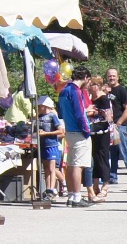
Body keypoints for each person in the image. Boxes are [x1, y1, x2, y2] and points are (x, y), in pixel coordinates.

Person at [58, 66, 93, 206]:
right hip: (79, 131)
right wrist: (86, 130)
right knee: (78, 165)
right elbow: (80, 113)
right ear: (85, 78)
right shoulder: (76, 91)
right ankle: (77, 196)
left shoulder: (63, 91)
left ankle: (71, 195)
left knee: (71, 164)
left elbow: (61, 112)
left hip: (69, 130)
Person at [103, 72, 127, 189]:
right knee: (112, 151)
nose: (112, 78)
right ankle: (113, 176)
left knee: (124, 150)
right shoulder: (106, 90)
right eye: (110, 76)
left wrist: (119, 122)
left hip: (120, 125)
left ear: (118, 77)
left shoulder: (121, 90)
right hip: (109, 125)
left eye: (114, 76)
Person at [86, 73, 113, 203]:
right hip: (93, 131)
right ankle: (95, 184)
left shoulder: (104, 99)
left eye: (94, 85)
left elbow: (108, 116)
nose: (91, 87)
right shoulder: (91, 98)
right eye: (91, 85)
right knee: (94, 157)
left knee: (103, 156)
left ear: (99, 86)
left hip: (103, 131)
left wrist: (95, 113)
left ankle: (105, 185)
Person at [34, 95, 65, 199]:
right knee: (46, 169)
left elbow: (60, 130)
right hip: (42, 145)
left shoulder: (52, 116)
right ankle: (48, 189)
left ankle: (52, 189)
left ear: (45, 106)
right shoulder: (39, 117)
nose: (38, 108)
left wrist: (46, 133)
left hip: (52, 145)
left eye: (39, 106)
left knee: (52, 169)